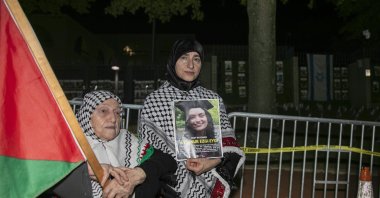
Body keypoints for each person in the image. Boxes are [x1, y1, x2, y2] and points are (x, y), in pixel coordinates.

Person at [139, 38, 246, 197]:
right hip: (169, 187)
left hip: (209, 182)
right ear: (173, 61)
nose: (191, 65)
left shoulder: (212, 99)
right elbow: (147, 151)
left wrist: (209, 163)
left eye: (196, 59)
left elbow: (229, 144)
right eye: (184, 58)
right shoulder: (154, 101)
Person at [76, 90, 177, 198]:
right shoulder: (72, 144)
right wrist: (87, 170)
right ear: (87, 116)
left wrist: (140, 173)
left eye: (117, 112)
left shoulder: (127, 140)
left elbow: (168, 161)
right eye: (104, 111)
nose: (113, 119)